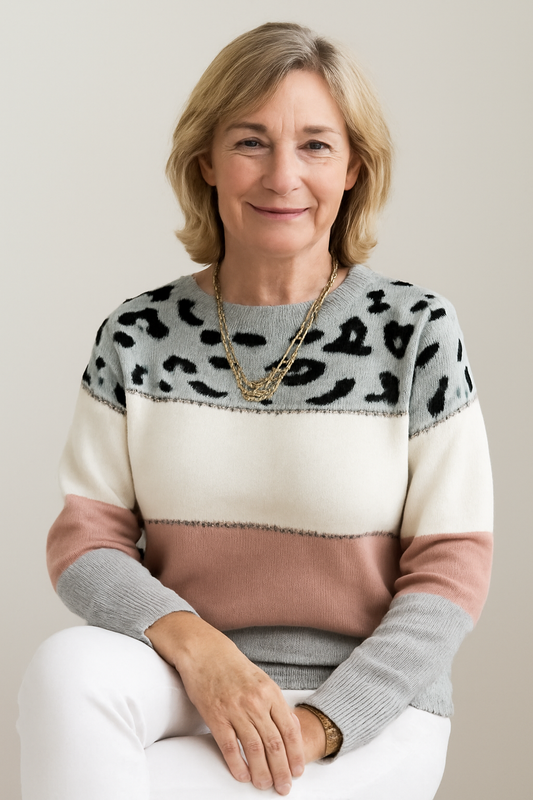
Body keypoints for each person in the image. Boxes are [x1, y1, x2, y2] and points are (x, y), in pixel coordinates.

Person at [18, 21, 493, 800]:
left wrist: (319, 725)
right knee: (63, 669)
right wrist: (200, 651)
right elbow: (87, 541)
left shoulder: (415, 332)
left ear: (353, 168)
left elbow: (451, 566)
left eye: (315, 145)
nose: (282, 176)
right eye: (250, 142)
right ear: (205, 160)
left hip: (368, 705)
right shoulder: (137, 334)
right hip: (187, 677)